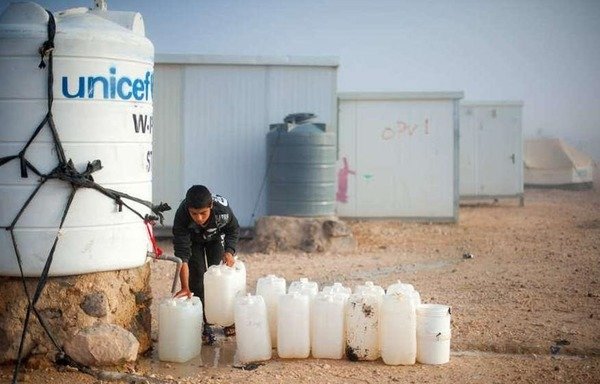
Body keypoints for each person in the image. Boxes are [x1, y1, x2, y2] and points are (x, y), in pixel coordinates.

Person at [172, 185, 240, 342]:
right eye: (194, 214)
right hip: (193, 242)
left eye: (203, 213)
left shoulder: (222, 212)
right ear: (188, 209)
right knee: (197, 279)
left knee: (218, 279)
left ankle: (227, 320)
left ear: (211, 206)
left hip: (215, 239)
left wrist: (229, 251)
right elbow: (182, 256)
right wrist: (185, 287)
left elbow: (233, 230)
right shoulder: (182, 215)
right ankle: (205, 323)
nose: (199, 218)